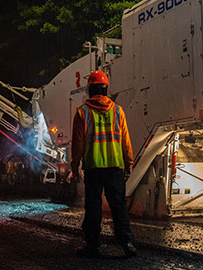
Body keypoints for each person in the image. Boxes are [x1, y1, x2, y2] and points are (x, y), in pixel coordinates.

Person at [71, 70, 137, 257]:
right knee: (119, 206)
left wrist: (74, 167)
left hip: (93, 168)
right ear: (106, 89)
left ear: (90, 89)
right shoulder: (118, 111)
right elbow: (125, 141)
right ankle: (127, 243)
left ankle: (92, 245)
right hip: (115, 167)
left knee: (93, 207)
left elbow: (78, 145)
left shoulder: (82, 113)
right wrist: (129, 163)